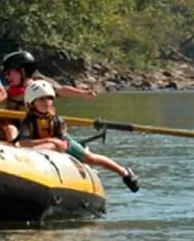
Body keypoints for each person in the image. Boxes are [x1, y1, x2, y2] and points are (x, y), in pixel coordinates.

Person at [11, 80, 140, 192]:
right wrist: (49, 140)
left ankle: (124, 172)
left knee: (91, 158)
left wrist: (50, 143)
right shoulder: (28, 122)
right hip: (46, 144)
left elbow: (62, 145)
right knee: (46, 145)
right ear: (31, 103)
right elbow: (24, 143)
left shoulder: (57, 120)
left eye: (49, 99)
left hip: (65, 144)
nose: (47, 102)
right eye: (42, 99)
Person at [0, 51, 97, 141]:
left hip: (37, 128)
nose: (7, 77)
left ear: (22, 71)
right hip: (17, 128)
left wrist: (82, 93)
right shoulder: (7, 91)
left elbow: (61, 90)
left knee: (10, 129)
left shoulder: (39, 87)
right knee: (6, 127)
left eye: (9, 73)